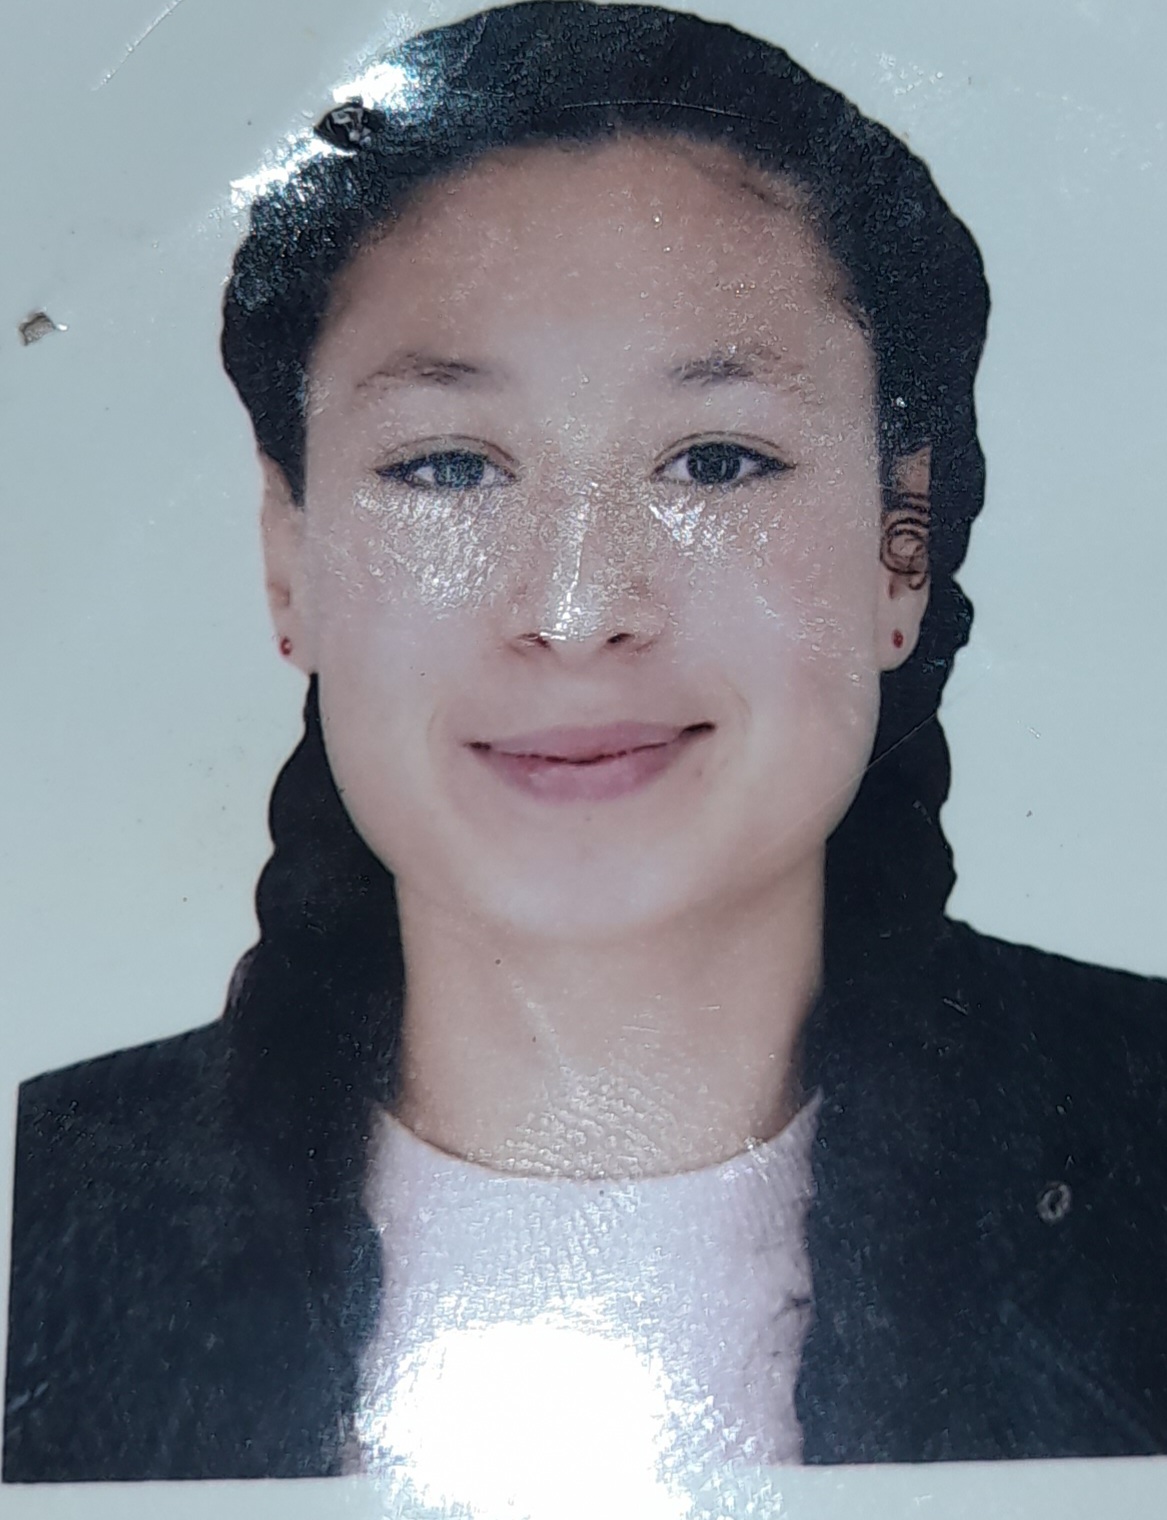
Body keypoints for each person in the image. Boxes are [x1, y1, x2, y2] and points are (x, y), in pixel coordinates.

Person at [5, 0, 1166, 1491]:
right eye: (447, 467)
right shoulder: (45, 1197)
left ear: (902, 545)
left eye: (716, 461)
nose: (574, 612)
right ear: (289, 556)